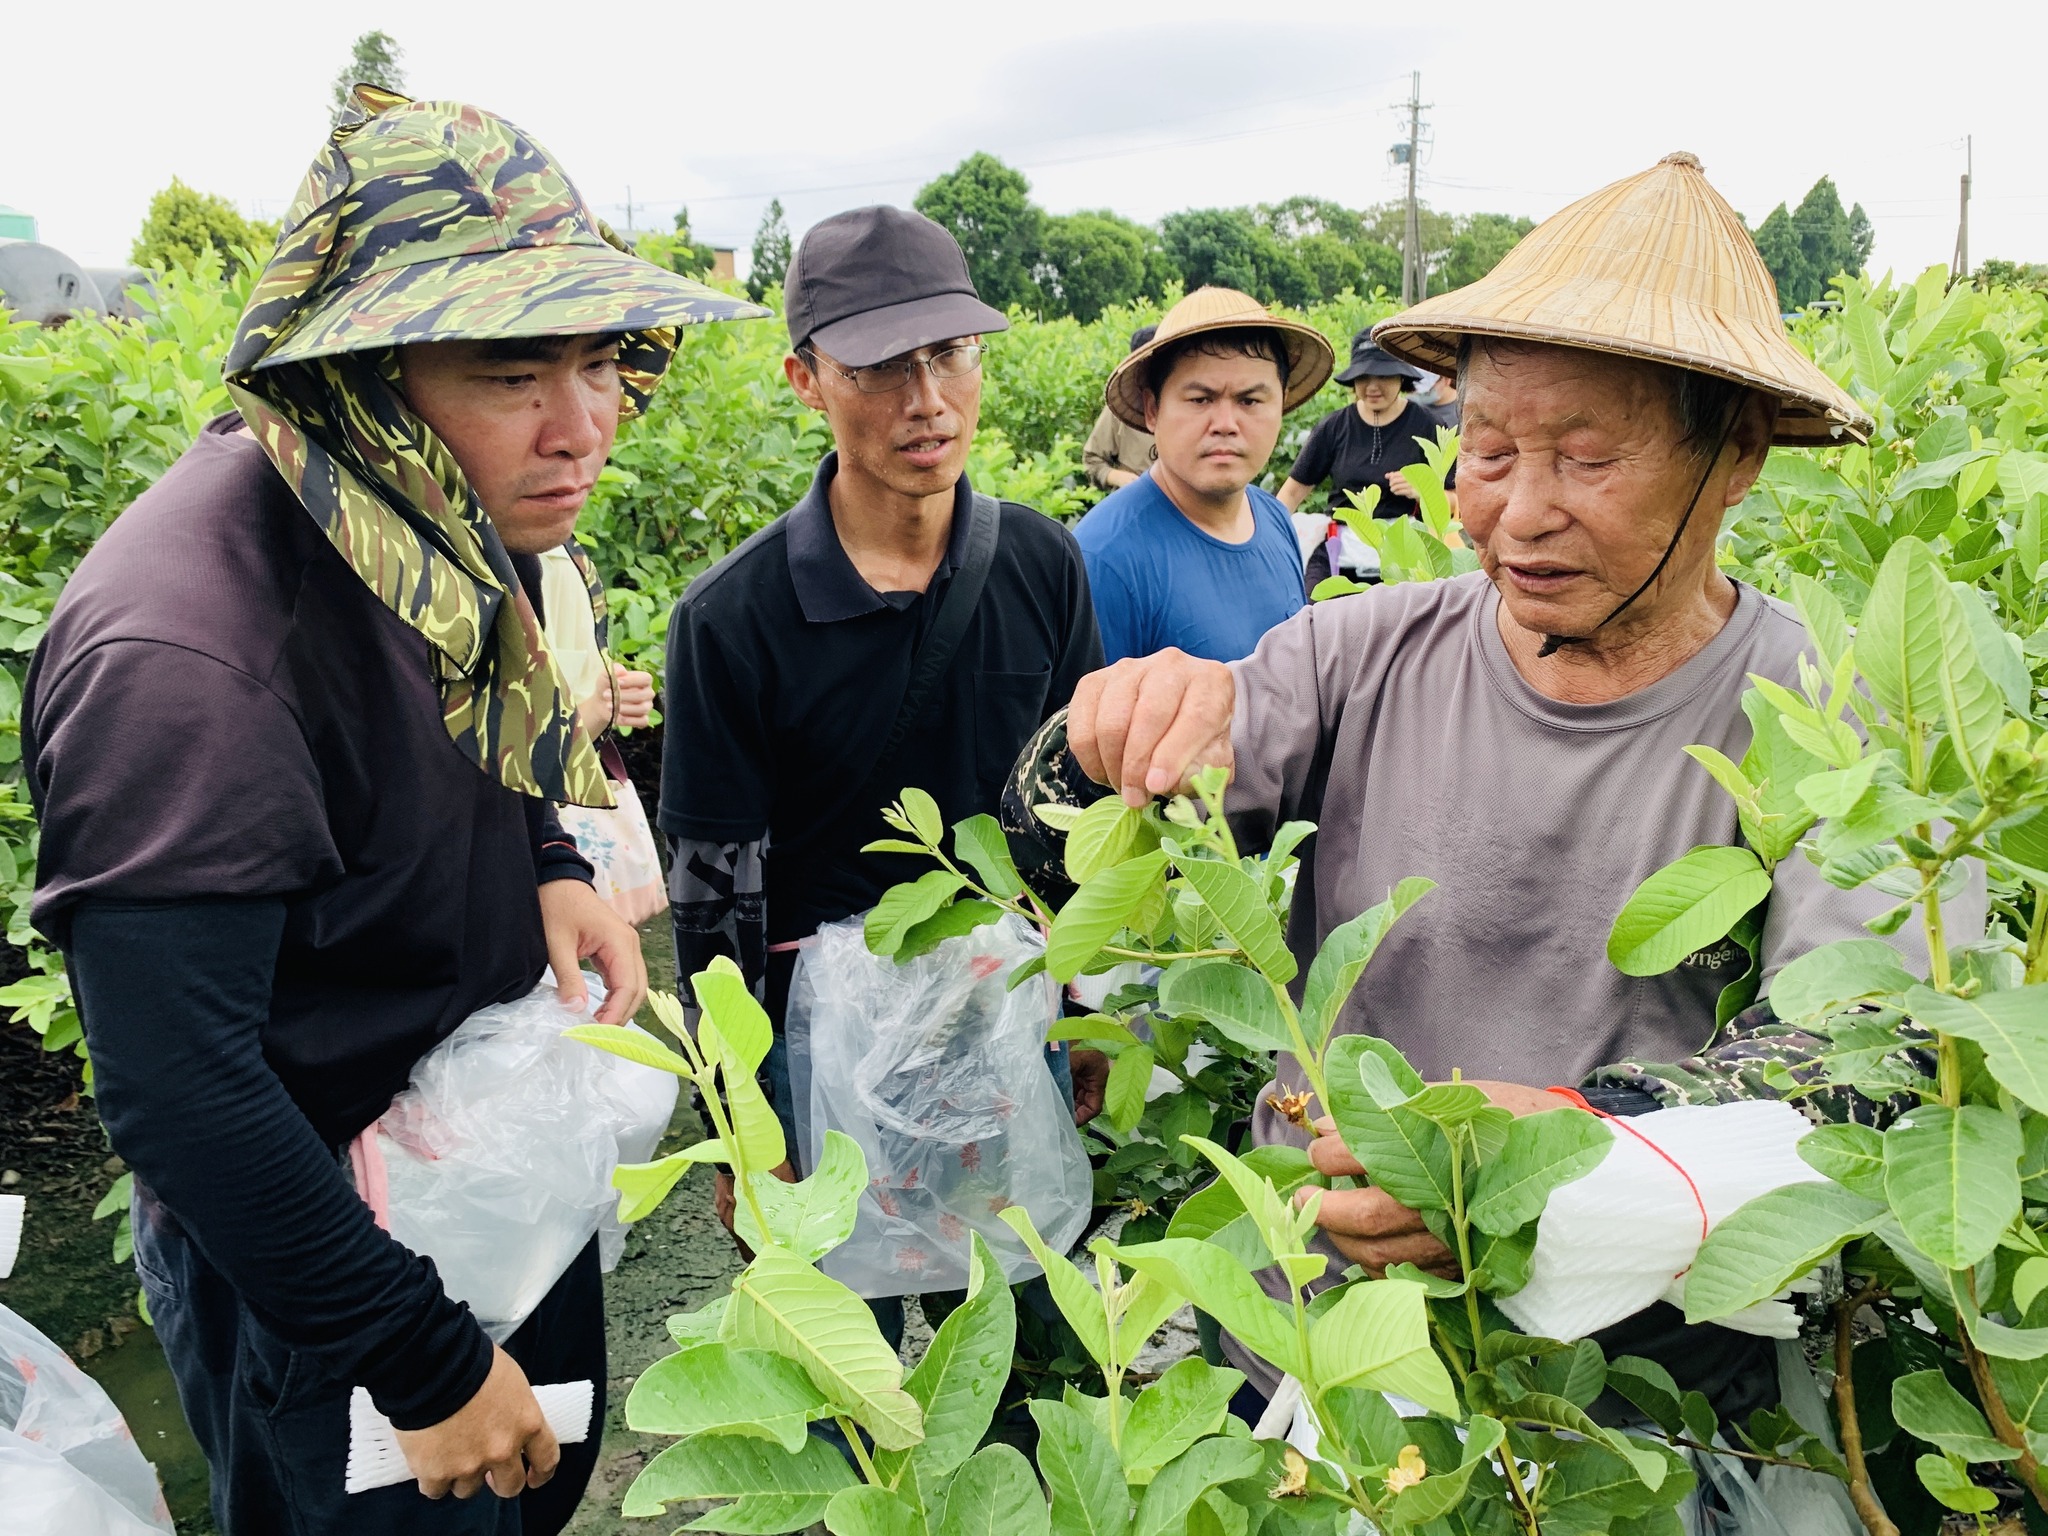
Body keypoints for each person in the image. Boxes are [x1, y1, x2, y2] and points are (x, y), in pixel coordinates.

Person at [1034, 153, 1949, 1438]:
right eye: (1492, 450)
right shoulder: (1361, 652)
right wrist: (1096, 743)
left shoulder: (1821, 723)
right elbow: (1046, 849)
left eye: (1583, 460)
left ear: (1733, 456)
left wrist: (1555, 1154)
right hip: (1326, 1354)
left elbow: (1869, 1060)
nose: (1517, 513)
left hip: (1625, 1419)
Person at [23, 89, 763, 1535]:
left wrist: (547, 854)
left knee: (522, 1497)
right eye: (510, 374)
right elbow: (181, 1089)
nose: (583, 428)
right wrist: (416, 1360)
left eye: (599, 362)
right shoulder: (187, 655)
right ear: (356, 376)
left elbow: (488, 719)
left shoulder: (420, 519)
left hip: (466, 1161)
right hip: (325, 1254)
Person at [656, 205, 1108, 1334]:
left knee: (1021, 1354)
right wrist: (743, 1123)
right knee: (844, 1383)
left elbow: (1080, 808)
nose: (927, 401)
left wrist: (1086, 1005)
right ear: (806, 379)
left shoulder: (1041, 564)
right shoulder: (732, 617)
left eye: (949, 355)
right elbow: (715, 893)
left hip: (1004, 1028)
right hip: (827, 1054)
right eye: (878, 365)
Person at [1072, 289, 1331, 665]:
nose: (1225, 425)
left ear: (1282, 403)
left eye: (1250, 401)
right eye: (1200, 399)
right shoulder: (1104, 560)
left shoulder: (1275, 520)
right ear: (1152, 409)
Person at [539, 541, 666, 925]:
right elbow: (519, 748)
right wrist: (595, 712)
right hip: (539, 830)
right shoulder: (545, 560)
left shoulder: (566, 551)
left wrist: (614, 696)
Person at [1279, 332, 1454, 586]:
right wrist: (1267, 541)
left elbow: (1459, 500)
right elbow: (1292, 493)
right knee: (1316, 613)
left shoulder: (1426, 425)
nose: (1372, 387)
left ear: (1401, 376)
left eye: (1383, 376)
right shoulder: (1334, 426)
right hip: (1341, 554)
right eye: (1363, 377)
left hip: (1401, 559)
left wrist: (1424, 492)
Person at [1081, 324, 1159, 491]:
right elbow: (1091, 460)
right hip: (1135, 503)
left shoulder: (1188, 405)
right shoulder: (1120, 409)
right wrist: (1117, 477)